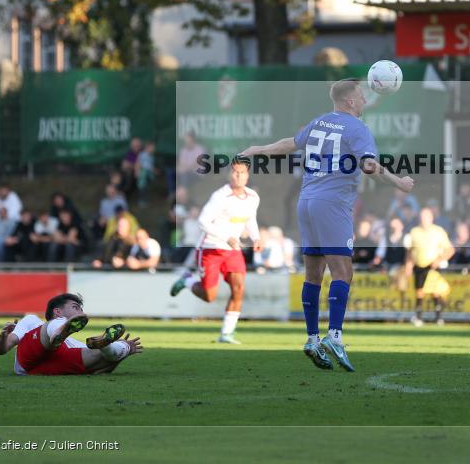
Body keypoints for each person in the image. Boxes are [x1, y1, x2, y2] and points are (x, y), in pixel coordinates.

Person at [240, 78, 414, 371]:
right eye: (361, 96)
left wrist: (256, 150)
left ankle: (311, 339)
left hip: (306, 202)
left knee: (313, 274)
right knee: (343, 272)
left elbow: (288, 145)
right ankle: (334, 335)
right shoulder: (358, 129)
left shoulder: (320, 122)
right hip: (332, 205)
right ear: (349, 101)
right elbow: (369, 166)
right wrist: (398, 180)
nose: (365, 101)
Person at [170, 156, 261, 344]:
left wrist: (256, 237)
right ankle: (188, 280)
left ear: (247, 175)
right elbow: (202, 222)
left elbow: (250, 219)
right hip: (211, 248)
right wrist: (226, 237)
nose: (237, 176)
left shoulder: (253, 197)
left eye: (241, 172)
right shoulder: (220, 196)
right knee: (209, 296)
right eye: (234, 172)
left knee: (239, 288)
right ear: (230, 174)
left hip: (232, 251)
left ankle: (226, 333)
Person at [0, 293, 142, 375]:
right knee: (48, 329)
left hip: (50, 365)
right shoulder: (32, 321)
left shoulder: (75, 344)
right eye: (76, 307)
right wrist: (3, 336)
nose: (81, 313)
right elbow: (2, 349)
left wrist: (121, 356)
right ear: (57, 311)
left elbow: (101, 370)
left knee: (104, 353)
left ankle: (115, 347)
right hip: (28, 360)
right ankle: (56, 333)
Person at [404, 207, 455, 327]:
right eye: (422, 217)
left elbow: (450, 250)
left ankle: (438, 317)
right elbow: (410, 251)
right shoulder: (414, 232)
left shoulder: (438, 231)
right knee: (419, 292)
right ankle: (418, 317)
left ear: (431, 218)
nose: (423, 220)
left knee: (435, 291)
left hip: (433, 266)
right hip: (419, 265)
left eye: (426, 217)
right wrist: (408, 265)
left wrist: (439, 259)